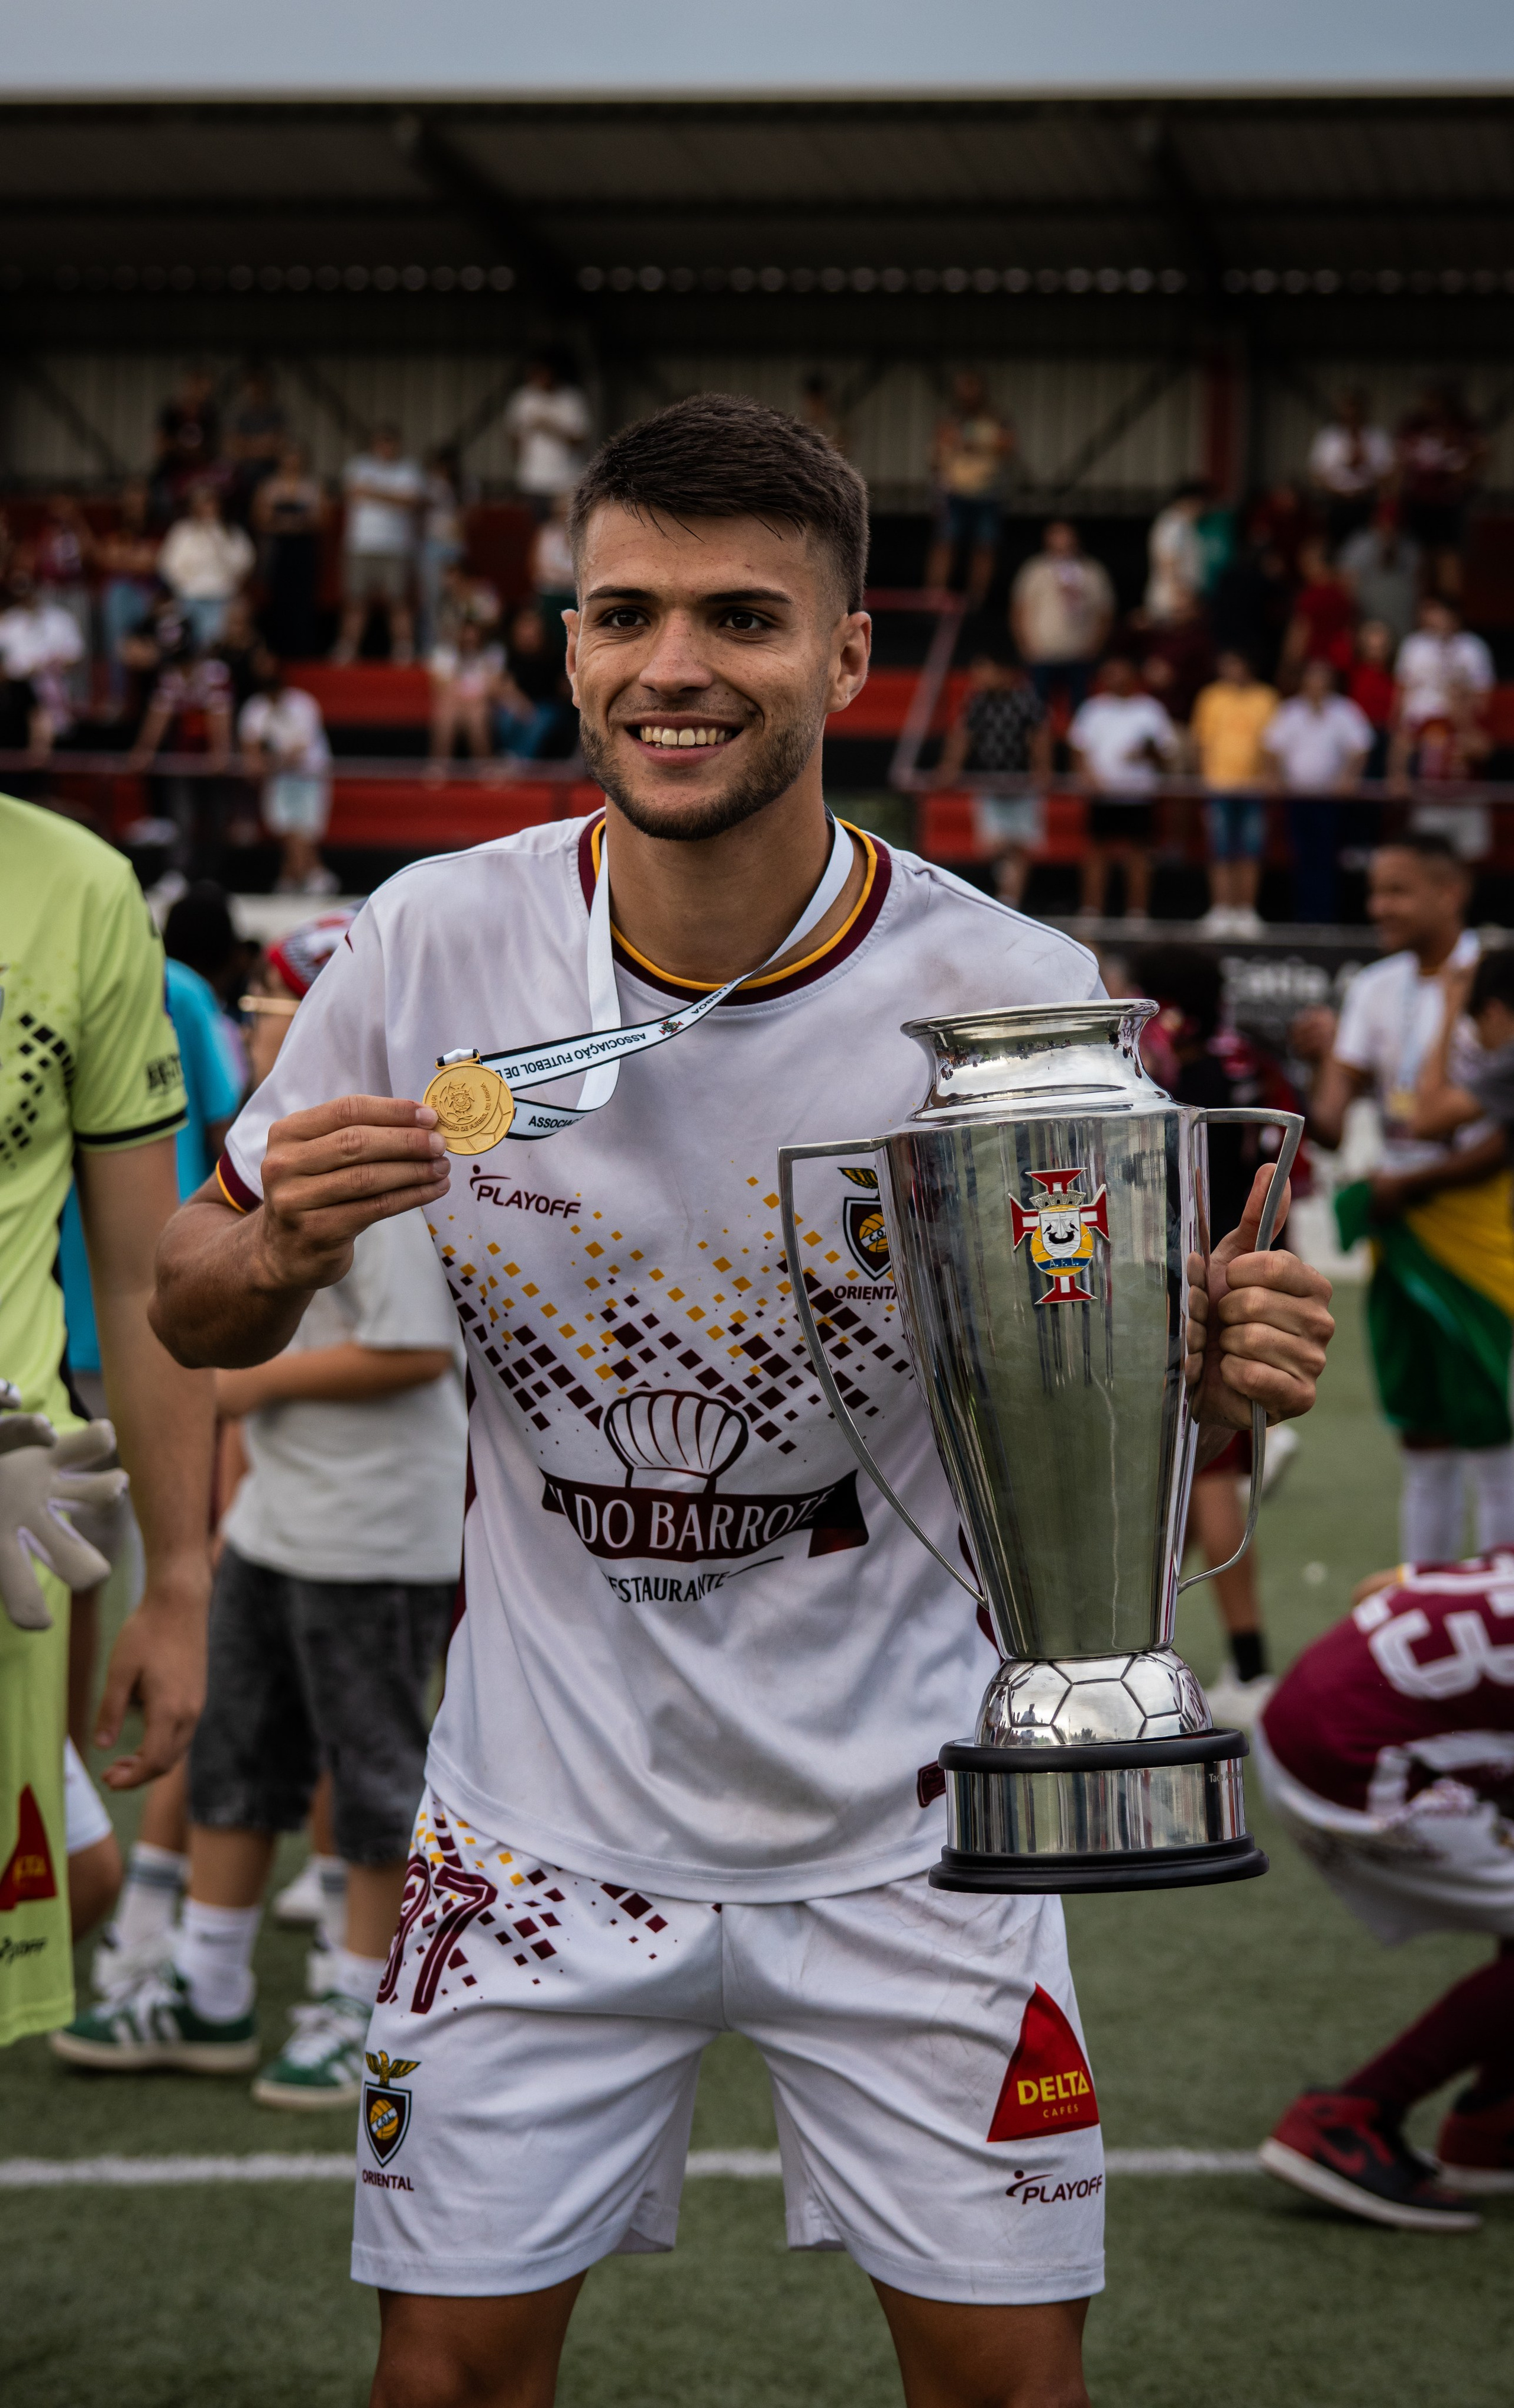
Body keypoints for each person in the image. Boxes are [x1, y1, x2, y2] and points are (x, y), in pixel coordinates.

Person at [146, 391, 1334, 2407]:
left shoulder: (1013, 1004)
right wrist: (260, 1253)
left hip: (916, 1829)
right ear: (571, 644)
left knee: (1006, 2391)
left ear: (853, 656)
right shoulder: (433, 939)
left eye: (742, 619)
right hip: (536, 1829)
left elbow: (1146, 1399)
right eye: (623, 615)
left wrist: (1219, 1363)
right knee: (438, 2381)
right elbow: (190, 1297)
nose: (671, 666)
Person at [58, 912, 466, 2108]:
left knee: (373, 1768)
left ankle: (359, 1995)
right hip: (288, 1513)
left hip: (370, 1525)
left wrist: (241, 1378)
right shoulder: (292, 1146)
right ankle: (208, 1981)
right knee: (237, 1754)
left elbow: (408, 1348)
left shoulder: (372, 1149)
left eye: (284, 1009)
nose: (256, 1026)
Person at [0, 795, 214, 2050]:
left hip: (14, 1558)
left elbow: (144, 1278)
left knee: (78, 1880)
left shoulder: (78, 889)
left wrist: (180, 1575)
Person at [1256, 1555, 1514, 2229]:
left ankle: (1493, 2122)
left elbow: (1376, 1586)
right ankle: (1345, 2120)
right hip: (1352, 1762)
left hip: (1312, 1713)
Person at [1291, 836, 1514, 1567]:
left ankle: (1498, 1618)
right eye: (1375, 890)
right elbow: (1327, 1124)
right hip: (1401, 1230)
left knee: (1492, 1424)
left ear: (1450, 893)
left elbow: (1502, 1130)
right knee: (1420, 1428)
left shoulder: (1500, 974)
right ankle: (1430, 1595)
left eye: (1397, 891)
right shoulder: (1373, 986)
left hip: (1483, 1226)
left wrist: (1413, 1183)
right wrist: (1314, 1059)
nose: (1377, 906)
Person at [1137, 946, 1291, 1726]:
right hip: (1253, 1259)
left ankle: (1252, 1663)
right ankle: (1148, 1635)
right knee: (1199, 1479)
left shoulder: (1170, 1069)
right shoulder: (1248, 1060)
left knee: (1207, 1477)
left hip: (1194, 1271)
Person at [933, 647, 1052, 907]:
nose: (978, 677)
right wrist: (950, 767)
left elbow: (1039, 736)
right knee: (994, 845)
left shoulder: (1026, 700)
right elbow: (962, 737)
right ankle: (1004, 889)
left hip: (1022, 783)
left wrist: (1042, 769)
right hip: (989, 782)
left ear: (1004, 672)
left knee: (1019, 846)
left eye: (984, 670)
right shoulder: (976, 703)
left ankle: (1011, 900)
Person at [1067, 657, 1179, 920]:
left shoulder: (1150, 709)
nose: (1114, 679)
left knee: (1139, 854)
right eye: (1109, 673)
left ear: (1132, 675)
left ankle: (1137, 913)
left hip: (1138, 795)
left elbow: (1166, 753)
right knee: (1096, 852)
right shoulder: (1093, 709)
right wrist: (1088, 777)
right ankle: (1092, 911)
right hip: (1103, 794)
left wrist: (1147, 753)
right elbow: (1078, 748)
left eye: (1119, 672)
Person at [1261, 661, 1371, 924]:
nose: (1317, 685)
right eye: (1312, 680)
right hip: (1298, 799)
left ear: (1331, 683)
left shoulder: (1345, 711)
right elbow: (1271, 748)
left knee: (1327, 859)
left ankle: (1326, 918)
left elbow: (1360, 749)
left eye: (1322, 680)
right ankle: (1303, 917)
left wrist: (1349, 778)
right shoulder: (1290, 711)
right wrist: (1275, 779)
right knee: (1300, 858)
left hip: (1329, 800)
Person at [1188, 649, 1277, 936]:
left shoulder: (1266, 698)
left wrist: (1268, 777)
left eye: (1236, 664)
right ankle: (1222, 909)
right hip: (1219, 786)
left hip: (1253, 787)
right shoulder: (1211, 697)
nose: (1230, 670)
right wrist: (1203, 778)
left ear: (1248, 666)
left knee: (1250, 849)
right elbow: (1201, 740)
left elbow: (1272, 743)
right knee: (1221, 849)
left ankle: (1246, 911)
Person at [240, 664, 336, 895]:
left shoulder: (303, 704)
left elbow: (299, 750)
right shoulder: (256, 707)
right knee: (286, 827)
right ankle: (313, 874)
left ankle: (293, 876)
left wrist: (266, 763)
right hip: (280, 778)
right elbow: (250, 744)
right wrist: (255, 761)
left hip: (309, 775)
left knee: (304, 827)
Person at [924, 370, 1016, 609]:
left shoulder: (996, 418)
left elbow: (1007, 444)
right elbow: (936, 453)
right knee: (945, 542)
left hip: (987, 490)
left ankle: (977, 600)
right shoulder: (949, 419)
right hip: (953, 491)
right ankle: (935, 597)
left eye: (972, 388)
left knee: (984, 545)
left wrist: (971, 441)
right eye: (963, 389)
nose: (967, 395)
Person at [336, 426, 423, 666]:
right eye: (381, 443)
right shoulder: (358, 465)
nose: (385, 448)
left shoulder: (408, 469)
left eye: (390, 442)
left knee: (398, 601)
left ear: (397, 444)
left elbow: (410, 501)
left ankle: (403, 648)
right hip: (360, 545)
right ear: (374, 445)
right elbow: (351, 493)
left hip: (396, 547)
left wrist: (372, 492)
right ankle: (348, 648)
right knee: (356, 601)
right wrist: (392, 497)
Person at [1008, 522, 1114, 718]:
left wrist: (1095, 647)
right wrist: (1025, 647)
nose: (1063, 541)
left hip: (1079, 654)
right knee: (1036, 713)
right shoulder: (1035, 570)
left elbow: (1104, 614)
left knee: (1082, 714)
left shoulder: (1093, 572)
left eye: (1067, 535)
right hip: (1042, 654)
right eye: (1057, 535)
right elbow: (1019, 610)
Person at [1396, 384, 1484, 600]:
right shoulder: (1415, 424)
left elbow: (1481, 453)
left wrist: (1464, 475)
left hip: (1450, 503)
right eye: (1429, 399)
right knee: (1420, 559)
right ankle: (1422, 612)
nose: (1434, 405)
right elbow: (1399, 458)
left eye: (1438, 400)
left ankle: (1451, 614)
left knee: (1449, 558)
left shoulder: (1462, 425)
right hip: (1418, 501)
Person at [157, 484, 254, 653]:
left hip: (222, 598)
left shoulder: (231, 532)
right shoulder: (182, 532)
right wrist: (186, 586)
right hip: (189, 599)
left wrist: (217, 538)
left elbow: (245, 563)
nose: (208, 508)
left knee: (216, 643)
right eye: (203, 503)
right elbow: (168, 565)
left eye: (211, 502)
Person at [0, 568, 85, 759]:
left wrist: (53, 665)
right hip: (17, 691)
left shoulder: (60, 618)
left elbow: (76, 657)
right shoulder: (7, 622)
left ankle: (42, 753)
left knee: (47, 689)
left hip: (55, 686)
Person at [253, 442, 328, 661]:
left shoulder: (313, 486)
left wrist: (294, 523)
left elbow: (322, 519)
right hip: (278, 549)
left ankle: (303, 649)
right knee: (279, 598)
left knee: (303, 599)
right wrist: (288, 524)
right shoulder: (269, 486)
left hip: (304, 549)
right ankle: (279, 649)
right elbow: (260, 519)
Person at [97, 481, 164, 712]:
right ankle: (117, 697)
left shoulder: (159, 528)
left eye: (141, 501)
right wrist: (136, 560)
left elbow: (154, 563)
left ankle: (158, 697)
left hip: (151, 597)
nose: (136, 507)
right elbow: (108, 560)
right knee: (116, 591)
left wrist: (127, 559)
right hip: (123, 597)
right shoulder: (115, 527)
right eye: (132, 501)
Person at [502, 351, 591, 517]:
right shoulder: (523, 399)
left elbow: (581, 439)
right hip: (532, 480)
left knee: (563, 528)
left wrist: (550, 427)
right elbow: (514, 437)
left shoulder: (571, 399)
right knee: (536, 529)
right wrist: (522, 464)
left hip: (564, 480)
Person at [1307, 390, 1395, 553]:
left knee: (1366, 549)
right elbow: (1316, 474)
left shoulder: (1377, 437)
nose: (1351, 414)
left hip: (1367, 503)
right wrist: (1334, 489)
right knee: (1334, 549)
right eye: (1347, 408)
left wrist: (1366, 463)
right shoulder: (1328, 438)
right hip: (1336, 503)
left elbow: (1390, 476)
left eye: (1355, 408)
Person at [493, 601, 572, 760]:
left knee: (539, 722)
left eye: (532, 626)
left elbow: (565, 688)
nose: (528, 631)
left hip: (548, 707)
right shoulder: (511, 655)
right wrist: (520, 704)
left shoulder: (553, 654)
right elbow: (503, 686)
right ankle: (509, 758)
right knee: (506, 719)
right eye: (524, 626)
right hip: (518, 703)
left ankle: (522, 763)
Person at [1338, 502, 1423, 648]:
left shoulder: (1410, 548)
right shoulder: (1360, 545)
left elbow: (1420, 585)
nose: (1388, 527)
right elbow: (1347, 582)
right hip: (1369, 614)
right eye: (1384, 522)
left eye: (1394, 524)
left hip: (1401, 617)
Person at [428, 616, 504, 776]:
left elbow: (494, 687)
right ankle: (439, 766)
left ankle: (485, 767)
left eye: (473, 636)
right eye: (466, 636)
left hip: (481, 704)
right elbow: (440, 687)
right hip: (454, 704)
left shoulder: (493, 653)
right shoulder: (444, 653)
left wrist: (472, 698)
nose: (470, 639)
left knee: (477, 715)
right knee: (446, 711)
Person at [1279, 538, 1357, 681]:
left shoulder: (1309, 597)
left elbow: (1301, 633)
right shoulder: (1344, 594)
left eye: (1305, 561)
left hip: (1312, 666)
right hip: (1339, 666)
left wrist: (1289, 665)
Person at [418, 444, 468, 655]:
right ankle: (429, 647)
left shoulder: (464, 485)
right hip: (431, 547)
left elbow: (470, 516)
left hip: (454, 547)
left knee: (456, 599)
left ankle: (456, 646)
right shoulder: (426, 484)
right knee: (431, 599)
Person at [153, 368, 221, 516]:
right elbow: (161, 447)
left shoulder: (210, 414)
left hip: (201, 472)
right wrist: (189, 449)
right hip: (171, 471)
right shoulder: (171, 412)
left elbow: (211, 450)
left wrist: (179, 447)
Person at [224, 365, 289, 523]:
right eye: (252, 386)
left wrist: (249, 445)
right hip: (243, 475)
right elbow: (233, 449)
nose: (256, 391)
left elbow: (280, 447)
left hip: (270, 472)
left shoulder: (276, 414)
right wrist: (264, 445)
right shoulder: (239, 415)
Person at [1143, 480, 1209, 624]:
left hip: (1179, 598)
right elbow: (1168, 559)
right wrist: (1180, 595)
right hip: (1174, 602)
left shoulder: (1183, 523)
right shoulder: (1174, 523)